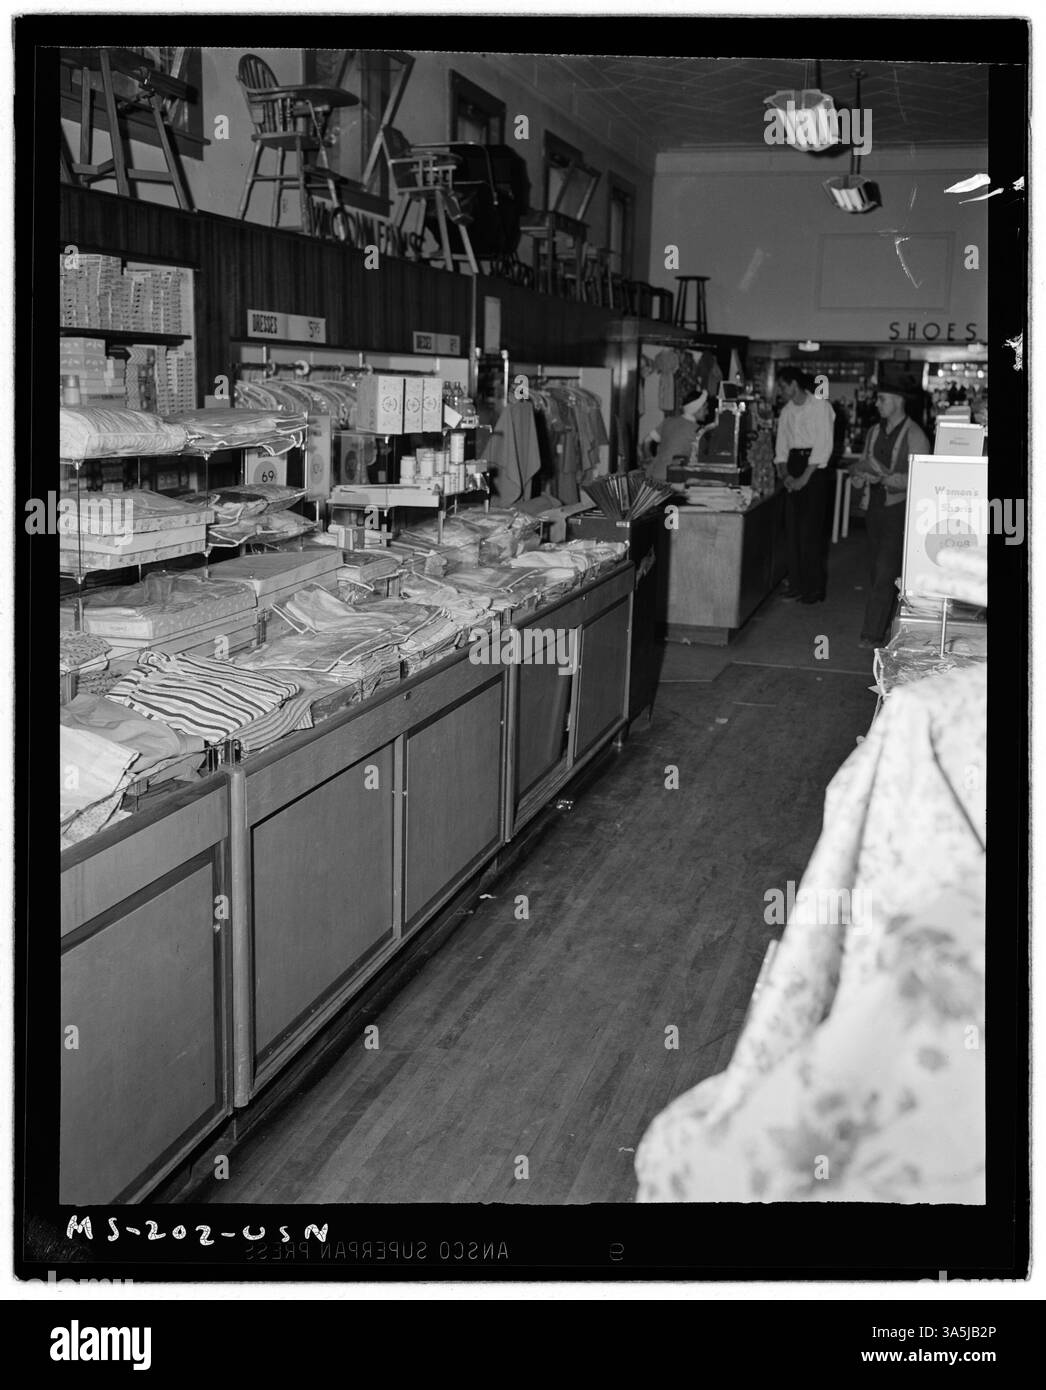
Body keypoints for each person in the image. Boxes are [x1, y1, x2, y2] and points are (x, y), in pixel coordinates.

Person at [850, 382, 931, 648]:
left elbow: (921, 478)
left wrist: (887, 479)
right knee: (878, 569)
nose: (877, 403)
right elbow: (862, 464)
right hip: (874, 508)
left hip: (899, 511)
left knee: (885, 571)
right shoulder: (874, 431)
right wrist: (860, 475)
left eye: (881, 399)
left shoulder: (915, 434)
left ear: (897, 401)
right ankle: (887, 623)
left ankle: (871, 633)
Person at [773, 368, 835, 602]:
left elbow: (823, 445)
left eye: (782, 385)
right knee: (793, 532)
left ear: (794, 385)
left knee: (810, 532)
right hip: (794, 464)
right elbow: (782, 445)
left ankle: (813, 589)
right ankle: (796, 584)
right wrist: (785, 474)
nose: (780, 390)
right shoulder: (787, 411)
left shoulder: (820, 406)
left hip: (815, 470)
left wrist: (803, 479)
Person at [643, 390, 709, 481]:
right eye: (705, 408)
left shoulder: (668, 421)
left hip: (653, 475)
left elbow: (646, 441)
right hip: (673, 479)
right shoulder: (698, 430)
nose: (707, 412)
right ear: (697, 408)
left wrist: (649, 458)